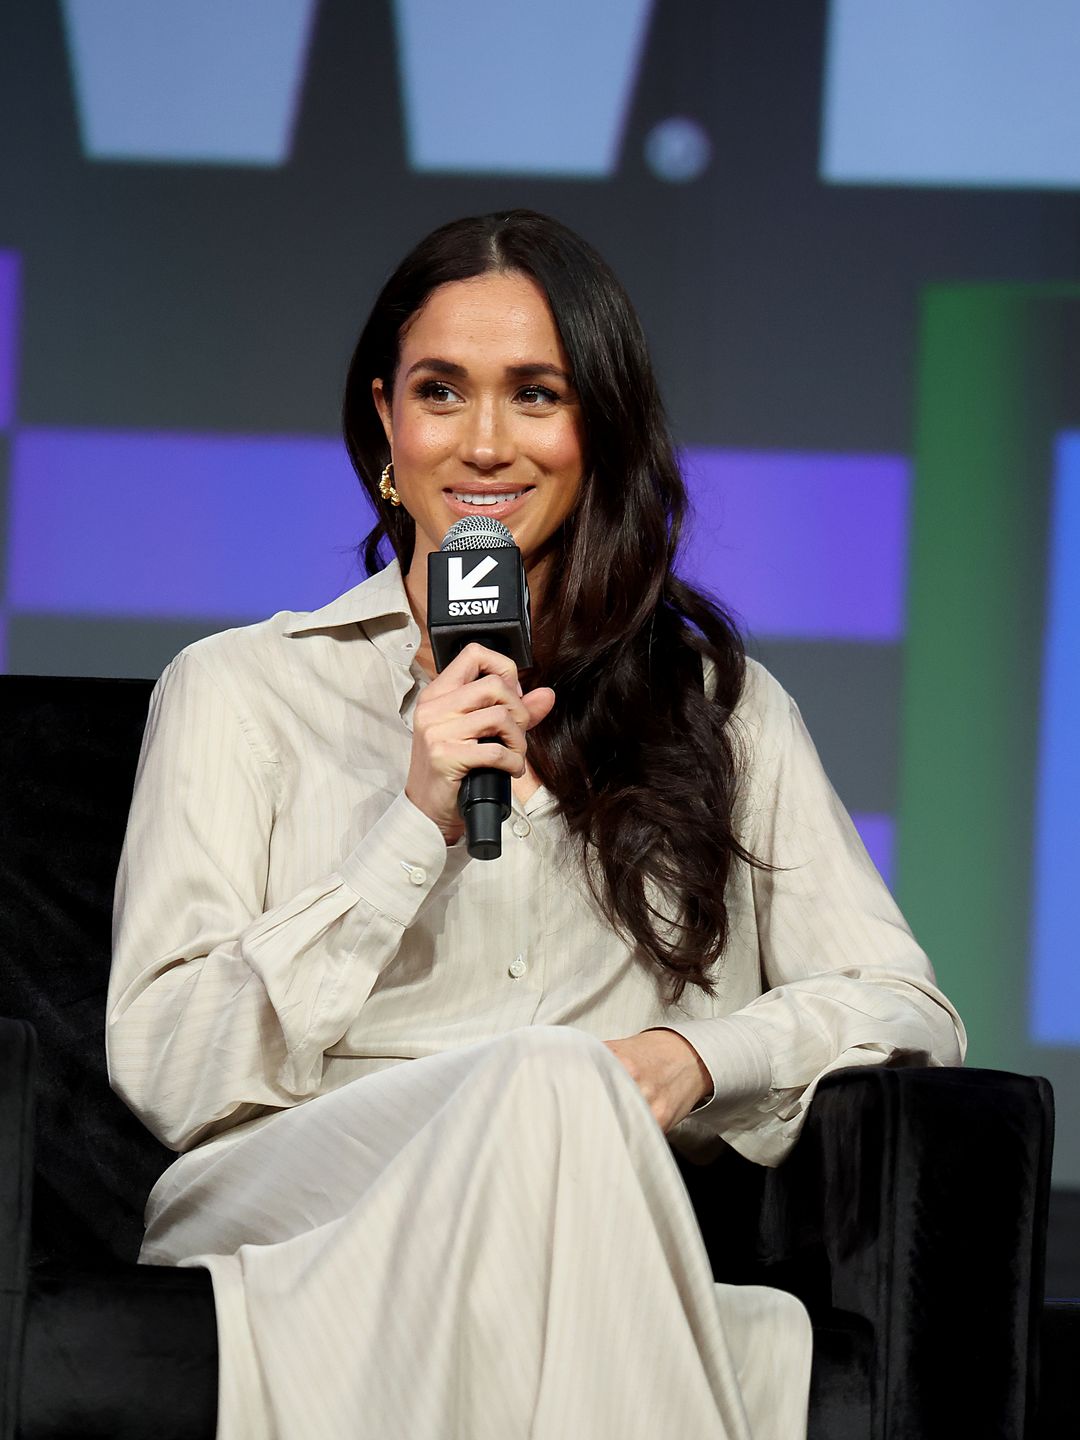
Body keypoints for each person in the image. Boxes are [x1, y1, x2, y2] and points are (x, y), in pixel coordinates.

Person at [107, 209, 965, 1440]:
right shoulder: (240, 690)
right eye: (442, 391)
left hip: (585, 1215)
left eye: (537, 394)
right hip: (298, 1194)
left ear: (596, 430)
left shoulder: (717, 710)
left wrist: (694, 1060)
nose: (486, 441)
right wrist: (410, 829)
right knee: (569, 1113)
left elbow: (908, 1009)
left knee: (557, 1106)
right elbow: (173, 1070)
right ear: (387, 428)